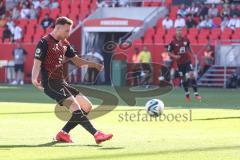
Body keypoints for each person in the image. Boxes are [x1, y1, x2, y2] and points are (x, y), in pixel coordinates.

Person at [32, 17, 113, 144]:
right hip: (50, 83)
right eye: (66, 30)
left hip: (61, 82)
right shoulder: (45, 42)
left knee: (86, 106)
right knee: (75, 107)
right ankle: (97, 134)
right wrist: (33, 78)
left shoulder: (64, 43)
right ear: (58, 27)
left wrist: (94, 65)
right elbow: (37, 63)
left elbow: (77, 61)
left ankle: (63, 134)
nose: (68, 34)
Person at [167, 27, 202, 102]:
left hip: (187, 61)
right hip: (180, 64)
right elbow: (169, 52)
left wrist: (193, 54)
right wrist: (175, 56)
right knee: (184, 79)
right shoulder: (172, 42)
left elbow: (189, 47)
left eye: (180, 31)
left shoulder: (186, 40)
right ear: (176, 32)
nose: (179, 32)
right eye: (178, 31)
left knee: (191, 74)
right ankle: (187, 95)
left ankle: (196, 94)